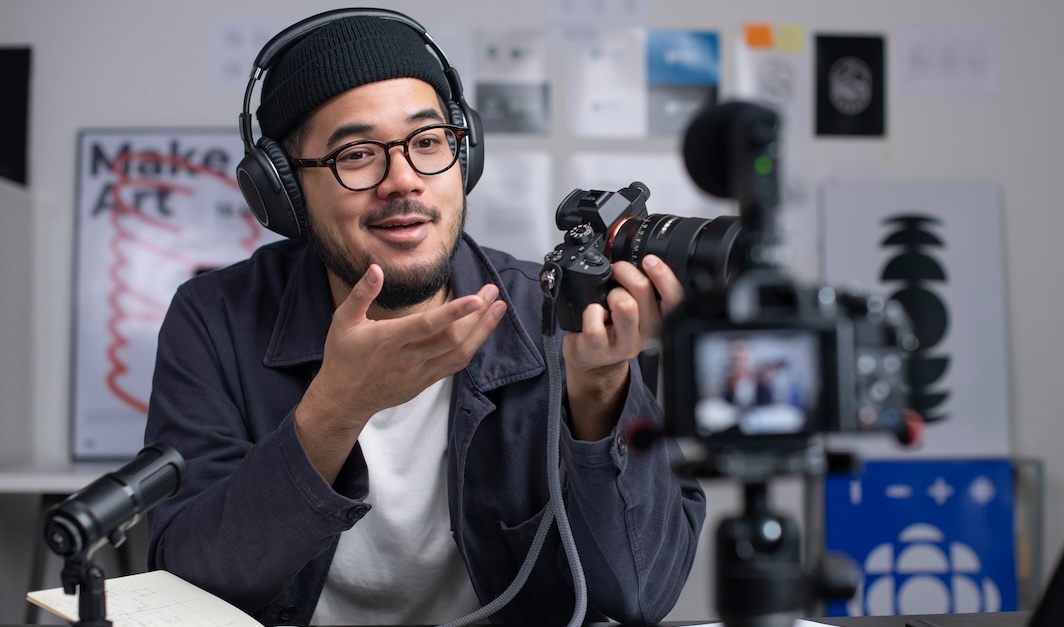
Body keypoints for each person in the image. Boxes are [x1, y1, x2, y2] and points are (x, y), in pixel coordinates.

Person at [143, 10, 704, 626]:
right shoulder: (214, 320)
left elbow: (639, 597)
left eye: (428, 142)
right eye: (355, 155)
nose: (403, 180)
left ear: (465, 156)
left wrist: (600, 389)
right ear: (284, 192)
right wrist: (334, 410)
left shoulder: (554, 313)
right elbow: (189, 588)